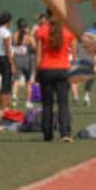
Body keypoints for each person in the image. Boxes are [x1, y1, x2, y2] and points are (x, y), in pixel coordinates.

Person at [34, 10, 74, 142]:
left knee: (47, 103)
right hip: (63, 69)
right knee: (63, 103)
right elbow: (73, 55)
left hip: (46, 69)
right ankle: (65, 133)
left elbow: (38, 55)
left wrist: (36, 72)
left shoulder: (41, 31)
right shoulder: (68, 31)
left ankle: (47, 133)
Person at [0, 11, 16, 114]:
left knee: (6, 83)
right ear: (8, 21)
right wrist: (12, 63)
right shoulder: (6, 32)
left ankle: (5, 107)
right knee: (6, 84)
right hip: (5, 58)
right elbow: (7, 48)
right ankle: (3, 109)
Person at [11, 18, 35, 108]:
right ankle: (28, 102)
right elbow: (35, 47)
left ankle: (14, 97)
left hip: (16, 59)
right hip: (27, 60)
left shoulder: (14, 35)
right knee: (28, 82)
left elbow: (11, 47)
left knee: (16, 80)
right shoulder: (28, 36)